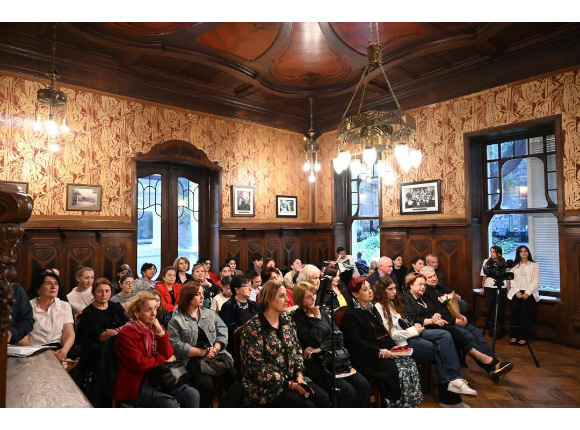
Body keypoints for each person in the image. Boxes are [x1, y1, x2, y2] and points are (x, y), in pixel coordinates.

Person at [373, 276, 476, 408]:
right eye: (390, 289)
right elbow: (391, 335)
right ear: (382, 290)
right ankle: (451, 394)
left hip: (411, 333)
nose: (394, 292)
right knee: (442, 348)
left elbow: (405, 322)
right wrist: (413, 330)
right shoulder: (379, 307)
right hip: (401, 343)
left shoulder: (393, 302)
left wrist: (415, 326)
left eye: (394, 288)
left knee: (445, 338)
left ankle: (453, 387)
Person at [402, 272, 513, 381]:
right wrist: (432, 320)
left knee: (472, 332)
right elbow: (412, 319)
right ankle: (490, 363)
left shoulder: (423, 297)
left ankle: (491, 364)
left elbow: (437, 309)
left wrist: (437, 315)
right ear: (411, 285)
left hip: (439, 323)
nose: (423, 287)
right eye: (420, 284)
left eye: (424, 284)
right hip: (423, 328)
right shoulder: (406, 298)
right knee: (456, 332)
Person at [240, 280, 330, 407]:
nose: (287, 300)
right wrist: (290, 385)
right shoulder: (253, 328)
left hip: (293, 377)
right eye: (282, 296)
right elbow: (257, 369)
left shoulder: (287, 320)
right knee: (307, 406)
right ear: (269, 299)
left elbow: (297, 350)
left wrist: (299, 374)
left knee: (323, 398)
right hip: (267, 387)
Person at [341, 277, 422, 407]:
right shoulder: (350, 314)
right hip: (365, 356)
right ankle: (394, 404)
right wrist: (380, 352)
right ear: (355, 294)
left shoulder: (371, 307)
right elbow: (356, 342)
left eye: (369, 288)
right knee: (397, 368)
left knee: (409, 363)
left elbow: (383, 331)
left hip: (381, 350)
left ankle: (409, 403)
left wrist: (393, 346)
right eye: (365, 290)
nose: (370, 292)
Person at [114, 290, 200, 408]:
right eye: (148, 310)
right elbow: (140, 364)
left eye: (155, 308)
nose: (154, 313)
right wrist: (162, 359)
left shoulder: (154, 328)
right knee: (169, 403)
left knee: (192, 394)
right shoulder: (126, 333)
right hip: (137, 382)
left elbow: (169, 353)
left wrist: (160, 330)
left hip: (159, 377)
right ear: (137, 313)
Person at [292, 281, 371, 408]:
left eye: (314, 294)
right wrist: (317, 319)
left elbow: (338, 336)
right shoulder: (297, 318)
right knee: (348, 392)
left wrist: (320, 348)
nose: (313, 299)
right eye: (308, 297)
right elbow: (314, 340)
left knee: (364, 386)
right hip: (319, 364)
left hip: (336, 359)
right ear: (300, 300)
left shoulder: (322, 311)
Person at [168, 283, 236, 408]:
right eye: (197, 294)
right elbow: (176, 345)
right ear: (188, 297)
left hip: (215, 354)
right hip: (192, 358)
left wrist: (215, 348)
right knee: (206, 384)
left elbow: (222, 331)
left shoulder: (209, 314)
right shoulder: (177, 320)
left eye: (202, 293)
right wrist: (202, 352)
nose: (202, 297)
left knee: (233, 376)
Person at [76, 278, 129, 371]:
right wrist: (121, 330)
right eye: (100, 291)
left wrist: (117, 330)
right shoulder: (88, 313)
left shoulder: (115, 306)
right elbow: (102, 337)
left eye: (107, 291)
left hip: (117, 341)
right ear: (93, 293)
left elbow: (129, 324)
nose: (104, 294)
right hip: (96, 348)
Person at [25, 270, 74, 362]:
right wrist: (44, 353)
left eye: (56, 283)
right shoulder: (28, 307)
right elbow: (23, 341)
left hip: (57, 351)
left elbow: (69, 334)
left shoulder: (64, 306)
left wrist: (64, 351)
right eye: (48, 283)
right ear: (38, 289)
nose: (53, 287)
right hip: (33, 352)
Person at [507, 245, 540, 346]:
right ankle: (513, 336)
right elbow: (512, 280)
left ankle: (523, 337)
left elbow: (536, 281)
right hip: (516, 291)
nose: (524, 253)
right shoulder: (514, 266)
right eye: (521, 251)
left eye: (525, 251)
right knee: (515, 313)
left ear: (528, 252)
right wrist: (517, 291)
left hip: (529, 292)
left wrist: (527, 292)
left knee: (525, 313)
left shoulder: (534, 265)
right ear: (518, 254)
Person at [219, 275, 259, 345]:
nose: (250, 289)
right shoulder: (228, 306)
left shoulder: (254, 305)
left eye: (251, 286)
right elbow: (230, 329)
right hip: (237, 343)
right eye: (247, 286)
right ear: (237, 290)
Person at [480, 245, 508, 338]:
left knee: (499, 310)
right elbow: (484, 276)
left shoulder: (503, 262)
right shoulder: (486, 261)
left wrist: (508, 289)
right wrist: (483, 287)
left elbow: (508, 277)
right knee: (490, 309)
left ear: (499, 253)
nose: (492, 254)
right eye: (491, 252)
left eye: (494, 252)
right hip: (489, 287)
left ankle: (499, 332)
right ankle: (491, 332)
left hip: (501, 287)